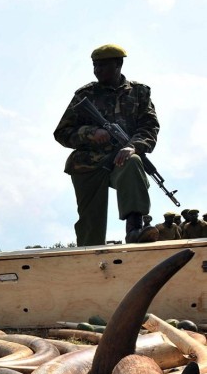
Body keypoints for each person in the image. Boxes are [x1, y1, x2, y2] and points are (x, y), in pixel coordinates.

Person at [54, 44, 160, 246]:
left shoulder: (139, 93)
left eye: (103, 65)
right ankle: (88, 263)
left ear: (118, 64)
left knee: (133, 161)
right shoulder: (84, 95)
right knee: (91, 227)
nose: (97, 70)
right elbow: (62, 133)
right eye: (95, 65)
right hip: (88, 164)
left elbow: (149, 126)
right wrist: (91, 133)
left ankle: (134, 229)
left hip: (120, 159)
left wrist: (134, 146)